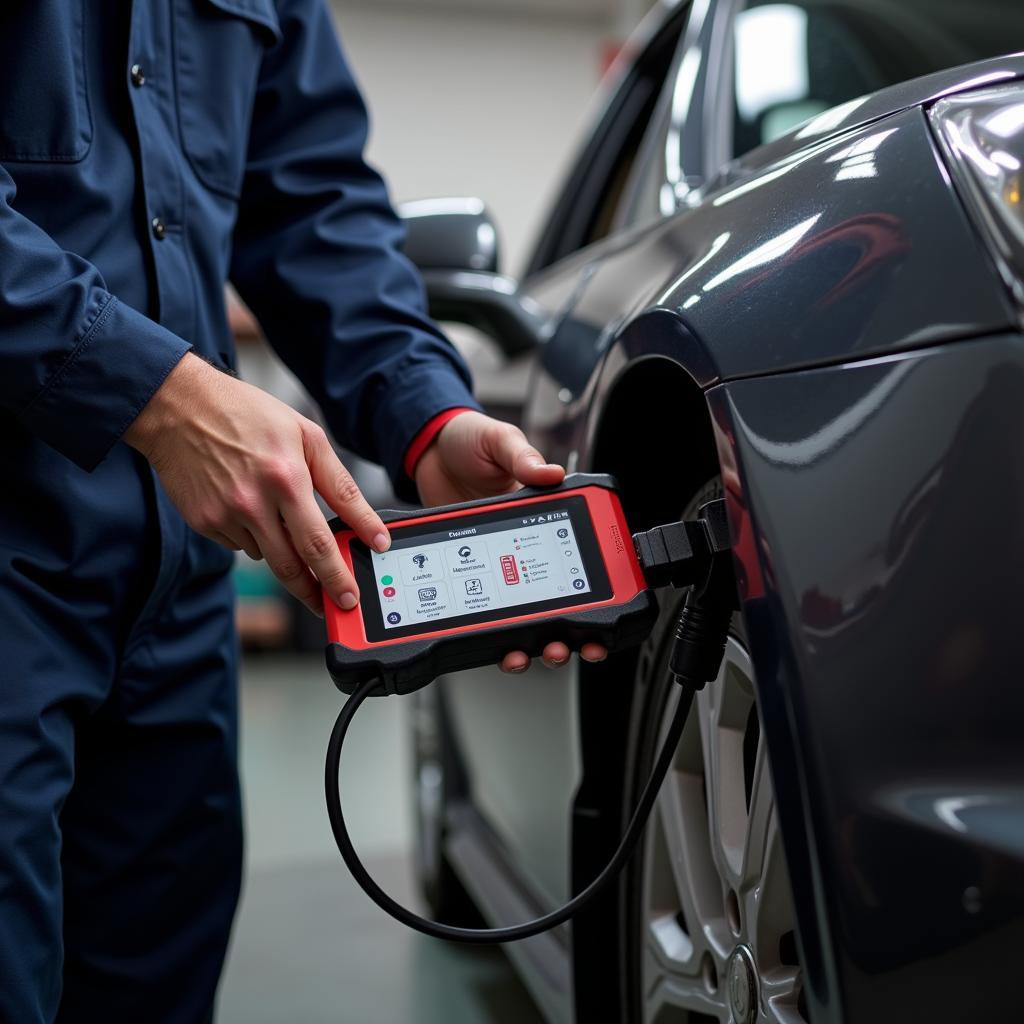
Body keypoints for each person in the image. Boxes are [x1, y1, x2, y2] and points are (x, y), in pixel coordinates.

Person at [0, 3, 605, 1020]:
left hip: (174, 587)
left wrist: (424, 415)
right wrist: (155, 393)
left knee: (152, 982)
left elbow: (312, 202)